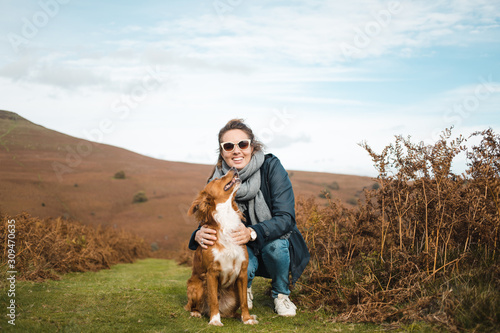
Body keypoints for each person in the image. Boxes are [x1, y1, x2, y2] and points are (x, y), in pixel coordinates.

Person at [188, 118, 310, 317]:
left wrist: (253, 232)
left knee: (276, 245)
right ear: (222, 152)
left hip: (272, 240)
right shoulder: (218, 178)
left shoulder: (271, 167)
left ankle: (281, 295)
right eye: (228, 146)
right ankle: (244, 291)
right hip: (241, 247)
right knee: (238, 252)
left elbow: (286, 218)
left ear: (252, 146)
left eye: (242, 144)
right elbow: (210, 215)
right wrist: (198, 234)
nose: (236, 151)